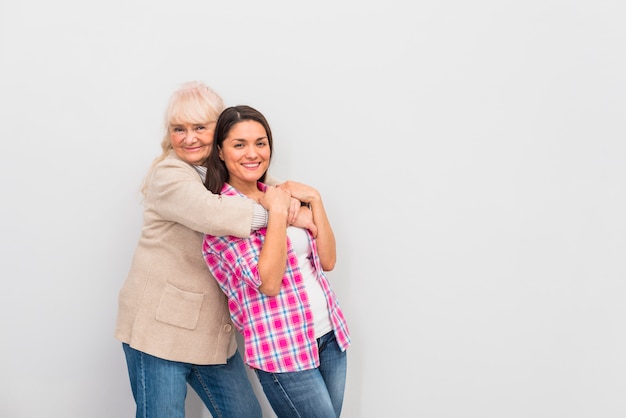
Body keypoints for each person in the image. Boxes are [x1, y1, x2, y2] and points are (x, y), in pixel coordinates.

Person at [114, 82, 309, 418]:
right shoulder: (170, 173)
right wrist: (279, 212)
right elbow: (216, 214)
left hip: (209, 332)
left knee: (246, 413)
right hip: (158, 331)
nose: (189, 138)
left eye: (200, 128)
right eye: (179, 129)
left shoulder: (221, 171)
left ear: (218, 132)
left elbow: (269, 187)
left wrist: (293, 201)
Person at [202, 105, 351, 418]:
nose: (252, 153)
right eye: (239, 144)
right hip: (282, 350)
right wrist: (279, 214)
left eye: (260, 142)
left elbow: (328, 260)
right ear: (220, 151)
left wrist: (316, 200)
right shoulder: (222, 216)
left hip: (329, 335)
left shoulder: (281, 194)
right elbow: (268, 282)